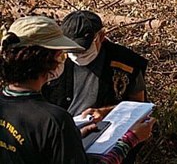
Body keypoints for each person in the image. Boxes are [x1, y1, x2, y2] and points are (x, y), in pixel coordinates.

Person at [0, 16, 155, 164]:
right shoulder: (54, 121)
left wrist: (72, 138)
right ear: (48, 60)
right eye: (61, 54)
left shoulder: (6, 106)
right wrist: (130, 140)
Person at [44, 11, 148, 123]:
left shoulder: (126, 62)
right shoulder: (52, 59)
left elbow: (138, 106)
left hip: (106, 129)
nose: (77, 55)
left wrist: (105, 112)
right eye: (71, 50)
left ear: (101, 36)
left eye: (83, 50)